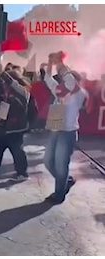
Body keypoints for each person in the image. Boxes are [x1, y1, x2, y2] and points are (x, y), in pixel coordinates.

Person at [43, 51, 87, 204]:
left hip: (67, 132)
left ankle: (59, 194)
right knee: (48, 161)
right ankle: (65, 181)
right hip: (55, 130)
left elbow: (69, 80)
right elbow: (48, 79)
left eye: (67, 77)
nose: (62, 79)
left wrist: (59, 62)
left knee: (61, 165)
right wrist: (50, 63)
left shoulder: (79, 93)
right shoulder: (60, 91)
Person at [0, 69, 32, 181]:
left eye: (5, 82)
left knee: (17, 150)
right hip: (3, 126)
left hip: (16, 127)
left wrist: (3, 73)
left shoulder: (22, 91)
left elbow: (12, 83)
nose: (4, 84)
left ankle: (22, 173)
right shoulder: (5, 93)